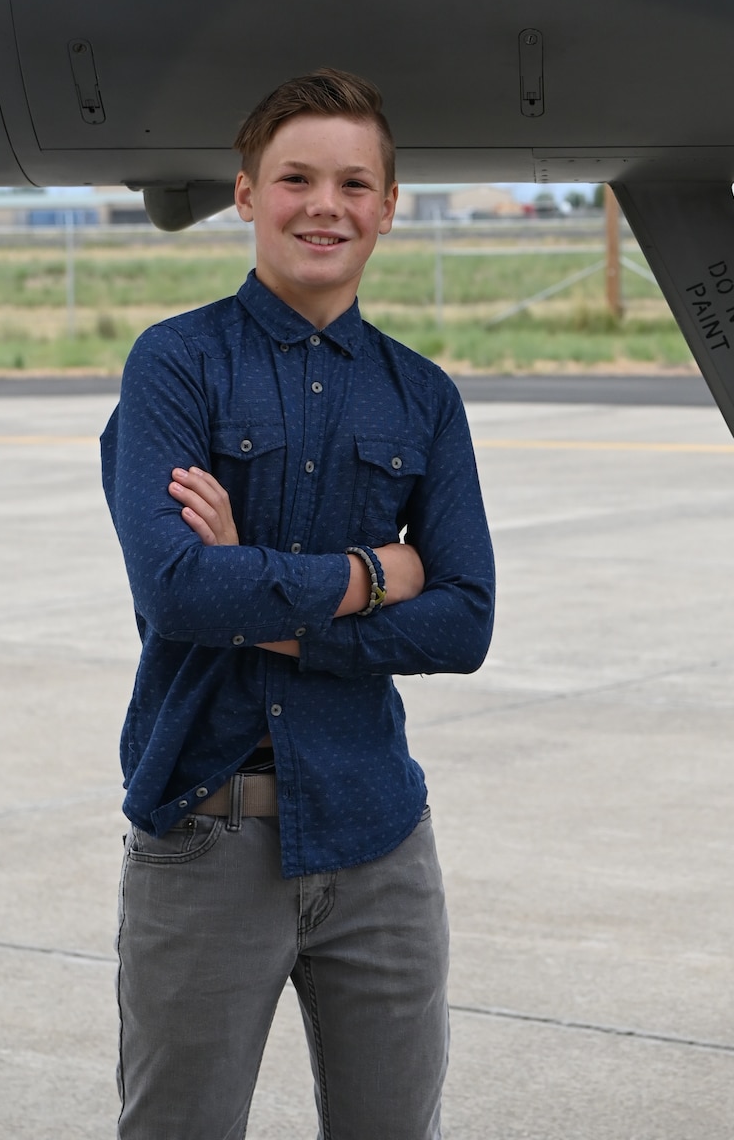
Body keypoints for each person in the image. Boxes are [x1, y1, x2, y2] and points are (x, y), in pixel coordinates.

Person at [101, 67, 495, 1140]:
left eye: (354, 182)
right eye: (297, 177)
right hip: (204, 835)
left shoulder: (423, 393)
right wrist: (374, 574)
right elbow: (179, 589)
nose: (326, 203)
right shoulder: (174, 366)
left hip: (379, 839)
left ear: (387, 205)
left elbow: (464, 621)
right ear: (245, 193)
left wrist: (260, 594)